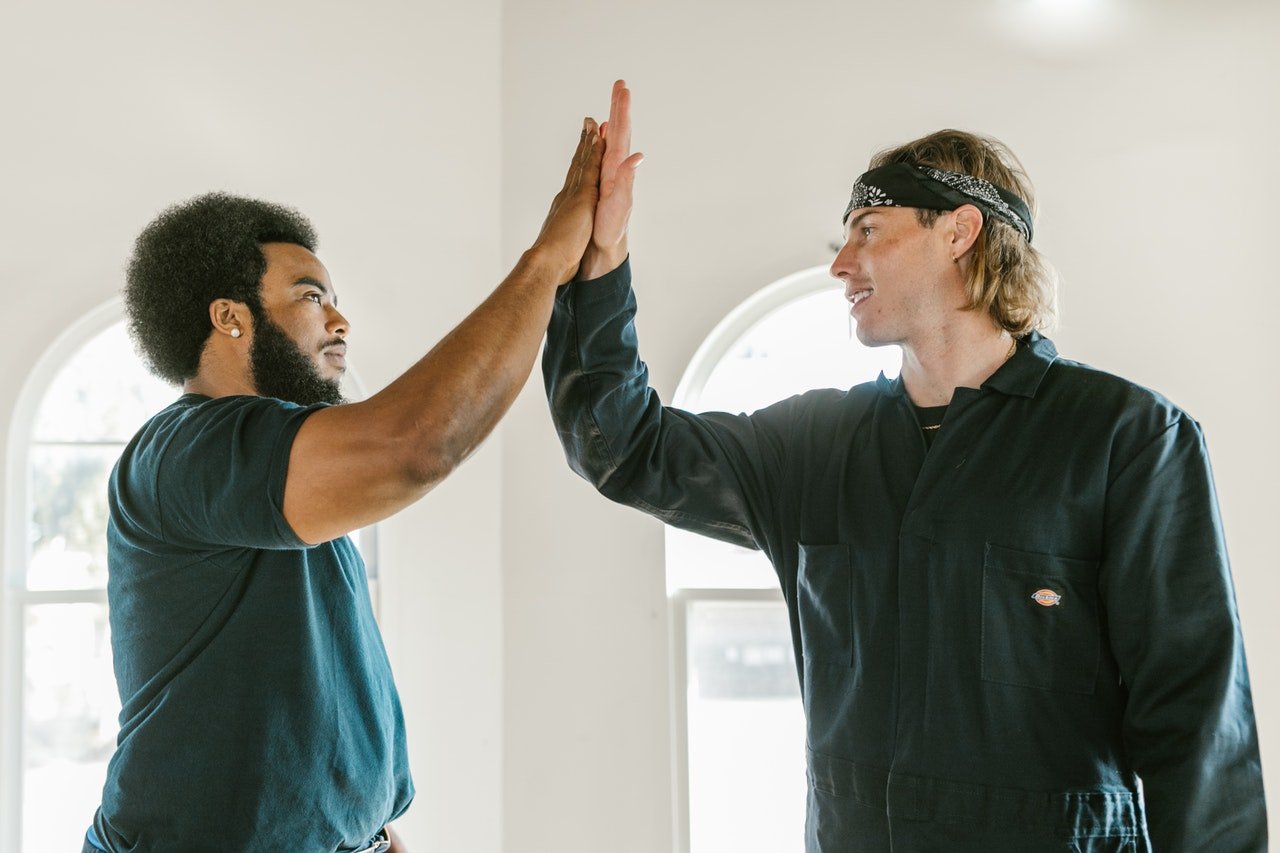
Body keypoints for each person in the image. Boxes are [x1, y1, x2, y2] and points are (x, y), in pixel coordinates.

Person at [544, 82, 1267, 851]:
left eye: (868, 229)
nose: (842, 264)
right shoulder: (816, 447)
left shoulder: (1127, 438)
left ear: (960, 231)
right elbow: (621, 445)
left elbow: (1198, 726)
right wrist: (601, 261)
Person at [84, 118, 605, 853]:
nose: (340, 319)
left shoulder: (284, 457)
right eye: (310, 296)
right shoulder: (182, 453)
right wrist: (546, 260)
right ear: (230, 317)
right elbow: (418, 443)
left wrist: (370, 834)